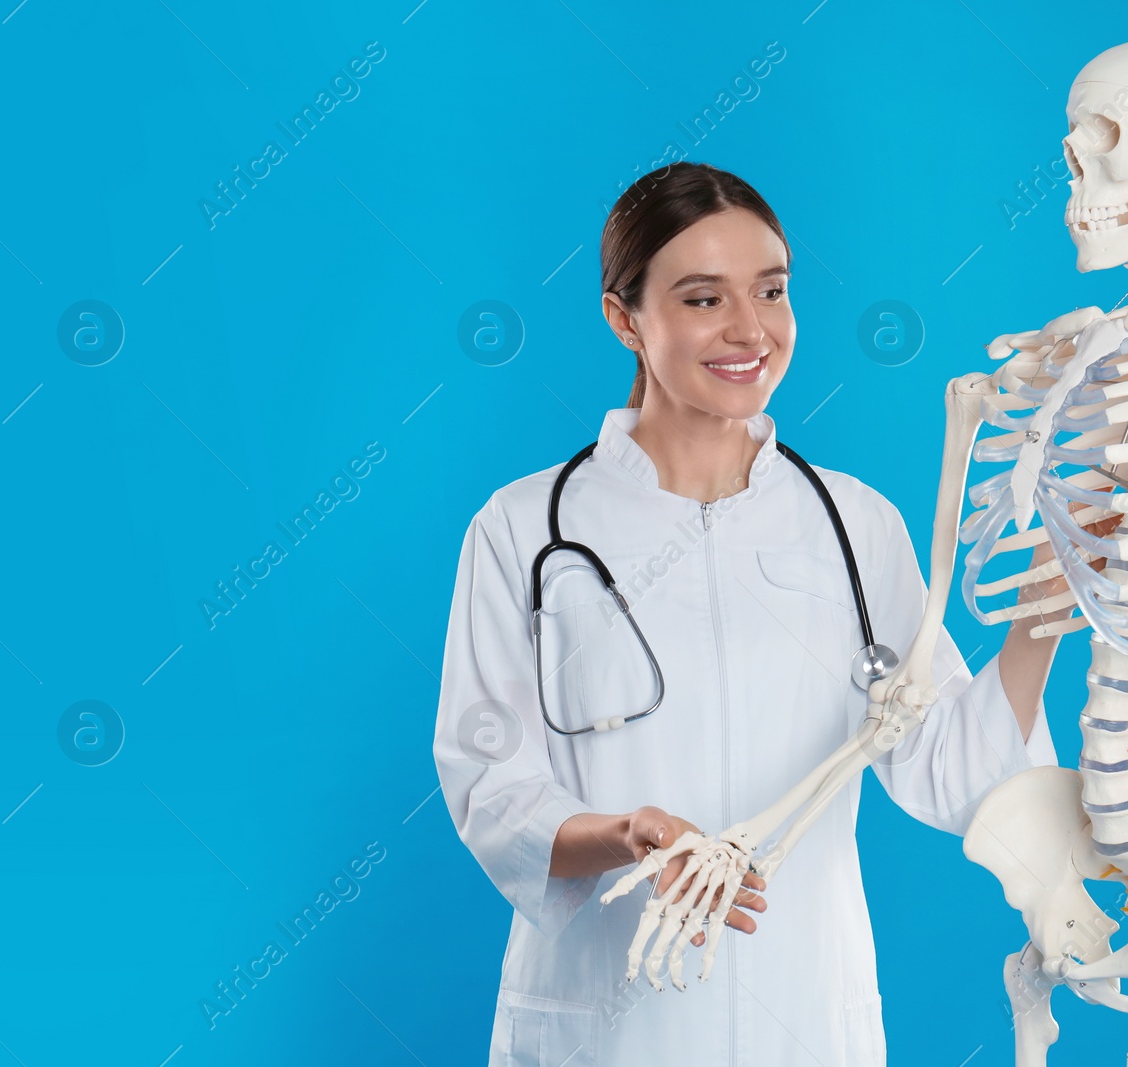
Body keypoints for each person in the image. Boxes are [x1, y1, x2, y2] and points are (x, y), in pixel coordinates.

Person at [434, 162, 1063, 1066]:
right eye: (702, 299)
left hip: (805, 1013)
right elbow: (490, 788)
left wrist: (1039, 614)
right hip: (606, 1026)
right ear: (624, 319)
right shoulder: (525, 529)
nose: (750, 330)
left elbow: (948, 771)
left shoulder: (852, 524)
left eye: (771, 291)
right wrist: (627, 833)